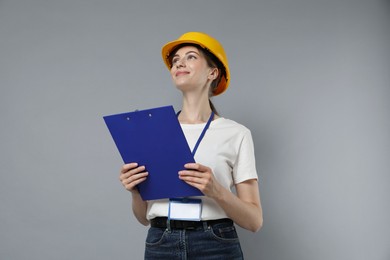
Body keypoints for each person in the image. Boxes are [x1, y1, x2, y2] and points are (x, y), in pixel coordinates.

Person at [119, 32, 263, 259]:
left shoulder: (237, 134)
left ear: (213, 73)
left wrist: (216, 191)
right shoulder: (152, 131)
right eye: (175, 60)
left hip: (216, 243)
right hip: (160, 242)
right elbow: (143, 218)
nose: (179, 63)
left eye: (191, 57)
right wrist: (135, 193)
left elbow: (254, 221)